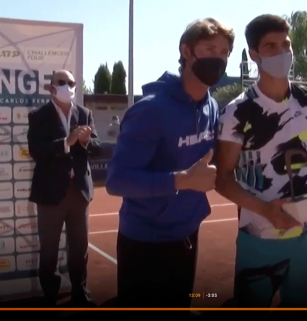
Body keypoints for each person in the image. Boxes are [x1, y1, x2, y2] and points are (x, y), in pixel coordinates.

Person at [105, 18, 234, 309]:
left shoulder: (212, 106)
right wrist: (183, 180)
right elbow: (117, 181)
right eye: (211, 48)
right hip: (145, 243)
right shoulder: (151, 109)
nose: (219, 58)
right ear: (187, 51)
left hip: (187, 235)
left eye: (225, 52)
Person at [215, 14, 307, 308]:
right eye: (271, 46)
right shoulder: (237, 112)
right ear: (254, 55)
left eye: (286, 44)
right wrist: (266, 211)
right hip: (257, 239)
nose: (282, 52)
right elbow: (222, 179)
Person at [28, 70, 101, 307]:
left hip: (79, 192)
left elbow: (97, 147)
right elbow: (36, 151)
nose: (68, 86)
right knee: (49, 249)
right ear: (51, 88)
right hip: (50, 195)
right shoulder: (38, 115)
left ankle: (80, 291)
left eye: (71, 83)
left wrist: (85, 141)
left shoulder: (85, 113)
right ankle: (50, 295)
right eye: (62, 83)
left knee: (79, 248)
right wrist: (66, 143)